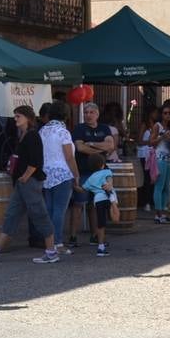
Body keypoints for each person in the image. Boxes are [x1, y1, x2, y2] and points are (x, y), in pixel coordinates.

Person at [0, 105, 59, 264]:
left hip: (29, 182)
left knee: (39, 214)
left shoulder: (32, 136)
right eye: (15, 116)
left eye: (18, 116)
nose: (15, 119)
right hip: (22, 183)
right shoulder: (23, 135)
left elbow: (35, 161)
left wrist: (25, 176)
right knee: (12, 214)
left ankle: (51, 252)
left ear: (27, 118)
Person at [70, 102, 115, 247]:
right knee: (79, 203)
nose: (88, 115)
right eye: (86, 113)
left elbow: (111, 145)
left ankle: (95, 235)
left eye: (91, 112)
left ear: (97, 114)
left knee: (96, 205)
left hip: (100, 172)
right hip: (83, 171)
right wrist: (100, 150)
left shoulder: (104, 128)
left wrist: (91, 144)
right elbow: (80, 147)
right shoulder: (79, 128)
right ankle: (72, 237)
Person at [39, 100, 79, 253]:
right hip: (62, 174)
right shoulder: (63, 132)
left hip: (46, 174)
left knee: (49, 210)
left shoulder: (42, 131)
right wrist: (76, 175)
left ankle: (49, 243)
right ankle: (58, 244)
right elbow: (69, 156)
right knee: (59, 210)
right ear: (66, 115)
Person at [78, 153, 116, 257]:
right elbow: (110, 181)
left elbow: (82, 189)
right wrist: (109, 185)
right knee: (114, 216)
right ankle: (114, 217)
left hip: (98, 200)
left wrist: (74, 185)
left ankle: (101, 246)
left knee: (100, 223)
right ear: (102, 165)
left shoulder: (90, 178)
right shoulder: (107, 171)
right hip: (109, 197)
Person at [149, 104, 170, 224]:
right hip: (159, 159)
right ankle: (158, 214)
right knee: (159, 186)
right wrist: (162, 137)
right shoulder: (157, 126)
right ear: (161, 114)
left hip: (169, 159)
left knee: (167, 188)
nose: (168, 115)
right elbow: (151, 142)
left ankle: (163, 213)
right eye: (165, 113)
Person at [136, 105, 158, 212]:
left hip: (153, 153)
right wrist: (149, 142)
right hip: (145, 154)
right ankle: (146, 201)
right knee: (147, 178)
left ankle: (151, 200)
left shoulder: (154, 124)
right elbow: (139, 141)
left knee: (153, 177)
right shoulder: (144, 125)